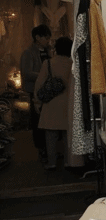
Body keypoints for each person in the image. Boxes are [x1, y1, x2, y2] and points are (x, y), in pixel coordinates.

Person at [34, 37, 73, 170]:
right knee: (68, 135)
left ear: (56, 48)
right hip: (68, 104)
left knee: (50, 136)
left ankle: (52, 163)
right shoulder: (73, 64)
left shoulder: (48, 63)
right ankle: (68, 161)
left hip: (51, 104)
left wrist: (37, 102)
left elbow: (39, 83)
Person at [20, 24, 52, 161]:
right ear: (37, 37)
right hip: (35, 91)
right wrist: (44, 75)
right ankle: (41, 148)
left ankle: (50, 148)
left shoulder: (49, 51)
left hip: (48, 91)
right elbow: (26, 73)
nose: (48, 41)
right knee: (38, 121)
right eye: (46, 38)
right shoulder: (28, 53)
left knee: (48, 120)